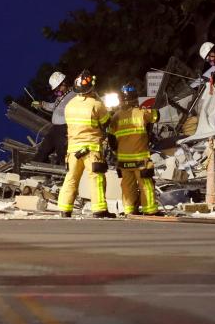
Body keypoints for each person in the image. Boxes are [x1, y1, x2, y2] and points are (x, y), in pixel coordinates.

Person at [58, 70, 113, 218]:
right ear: (91, 87)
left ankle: (64, 209)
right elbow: (106, 122)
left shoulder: (69, 106)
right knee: (96, 178)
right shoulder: (96, 104)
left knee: (71, 178)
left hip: (73, 150)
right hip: (91, 150)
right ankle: (99, 210)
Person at [107, 83, 159, 216]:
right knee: (145, 185)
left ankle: (129, 210)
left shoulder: (115, 117)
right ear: (135, 98)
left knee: (127, 186)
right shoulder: (141, 113)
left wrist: (115, 152)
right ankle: (150, 210)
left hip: (123, 160)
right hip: (140, 159)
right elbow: (156, 116)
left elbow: (111, 139)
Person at [33, 72, 74, 166]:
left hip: (65, 128)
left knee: (62, 152)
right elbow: (53, 107)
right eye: (55, 90)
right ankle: (32, 171)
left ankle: (66, 174)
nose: (57, 91)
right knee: (43, 149)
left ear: (64, 83)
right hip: (55, 128)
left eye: (58, 88)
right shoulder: (60, 97)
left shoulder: (74, 94)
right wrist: (41, 104)